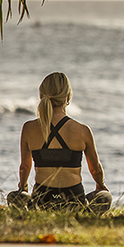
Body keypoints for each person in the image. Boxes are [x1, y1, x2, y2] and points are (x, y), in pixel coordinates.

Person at [15, 72, 110, 211]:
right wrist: (101, 185)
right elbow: (95, 169)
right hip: (74, 202)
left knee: (14, 197)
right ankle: (83, 217)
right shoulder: (83, 130)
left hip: (41, 202)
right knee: (105, 197)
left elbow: (25, 166)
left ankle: (34, 212)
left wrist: (23, 188)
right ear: (67, 97)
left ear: (41, 96)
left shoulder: (29, 128)